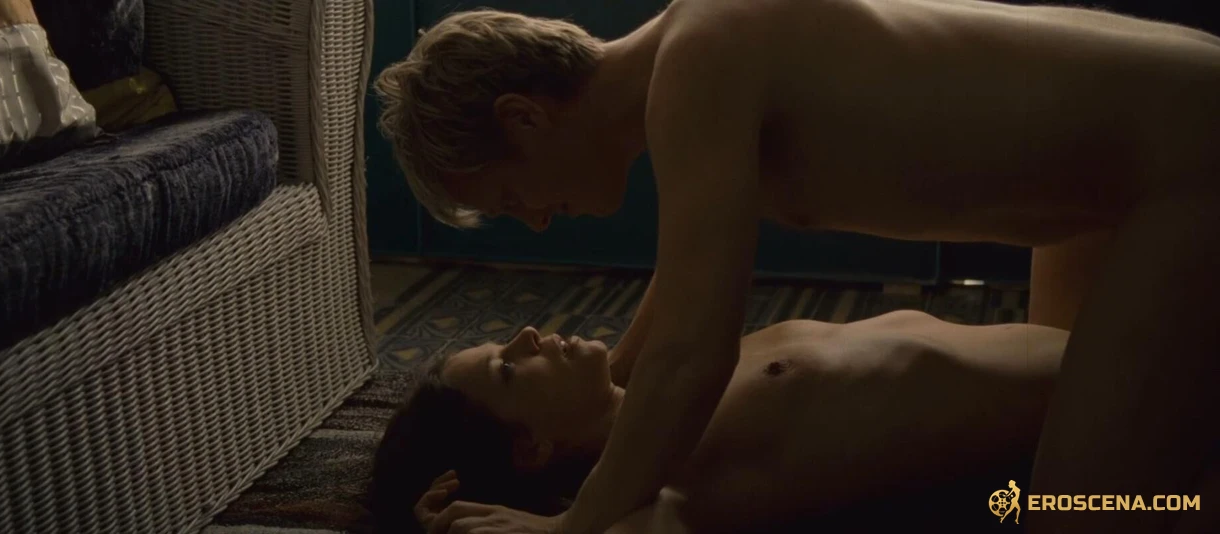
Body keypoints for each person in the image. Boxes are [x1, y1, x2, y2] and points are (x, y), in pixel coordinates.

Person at [373, 1, 1220, 532]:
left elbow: (691, 353)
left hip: (1186, 160)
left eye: (513, 196)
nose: (536, 218)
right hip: (1127, 175)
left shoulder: (699, 65)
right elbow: (684, 289)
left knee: (1086, 514)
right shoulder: (694, 44)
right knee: (1081, 432)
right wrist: (590, 411)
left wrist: (574, 527)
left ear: (524, 119)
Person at [368, 311, 1067, 533]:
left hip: (1097, 353)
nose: (527, 334)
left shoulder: (671, 382)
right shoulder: (675, 489)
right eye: (507, 368)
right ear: (531, 448)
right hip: (1118, 475)